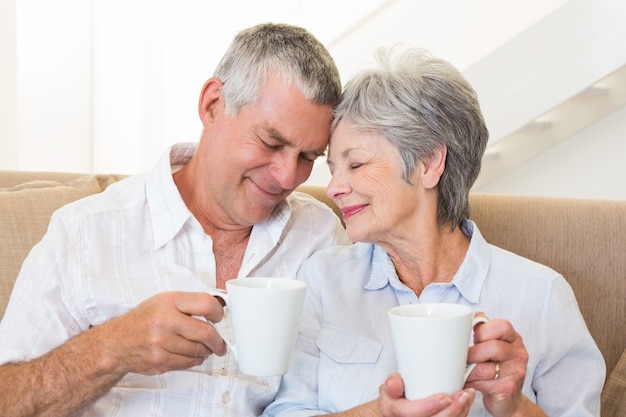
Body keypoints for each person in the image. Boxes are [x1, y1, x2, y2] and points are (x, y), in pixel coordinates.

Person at [0, 23, 350, 417]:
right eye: (271, 142)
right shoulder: (84, 233)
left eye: (308, 157)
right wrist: (112, 348)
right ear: (213, 105)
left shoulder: (320, 237)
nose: (288, 177)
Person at [263, 47, 605, 417]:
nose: (333, 189)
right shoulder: (323, 280)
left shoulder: (542, 298)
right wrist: (380, 413)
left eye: (356, 163)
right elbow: (286, 410)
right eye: (332, 168)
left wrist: (514, 407)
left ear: (428, 163)